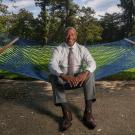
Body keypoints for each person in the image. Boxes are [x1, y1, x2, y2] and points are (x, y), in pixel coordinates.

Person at [49, 27, 96, 131]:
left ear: (76, 36)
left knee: (91, 75)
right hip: (64, 79)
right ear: (64, 36)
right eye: (68, 34)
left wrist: (85, 73)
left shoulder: (82, 49)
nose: (70, 37)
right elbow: (52, 64)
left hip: (78, 78)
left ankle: (88, 113)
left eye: (72, 34)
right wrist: (63, 75)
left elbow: (92, 62)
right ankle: (66, 114)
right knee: (53, 76)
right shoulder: (58, 49)